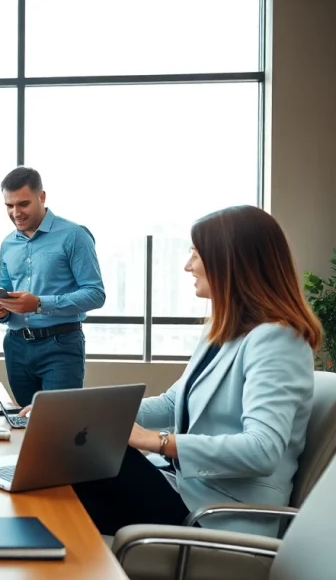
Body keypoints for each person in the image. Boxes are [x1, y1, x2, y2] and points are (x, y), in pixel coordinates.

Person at [25, 206, 319, 538]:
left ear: (229, 260)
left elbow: (262, 449)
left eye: (196, 253)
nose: (187, 265)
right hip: (185, 490)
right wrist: (72, 413)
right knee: (65, 479)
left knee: (88, 461)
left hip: (217, 515)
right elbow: (170, 404)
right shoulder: (222, 333)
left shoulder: (278, 339)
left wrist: (156, 441)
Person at [0, 166, 105, 406]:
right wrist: (0, 311)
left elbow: (95, 294)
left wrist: (39, 304)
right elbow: (7, 294)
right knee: (23, 424)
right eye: (9, 206)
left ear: (42, 197)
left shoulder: (74, 235)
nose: (15, 212)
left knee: (58, 424)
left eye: (23, 204)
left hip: (60, 346)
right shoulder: (7, 244)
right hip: (16, 346)